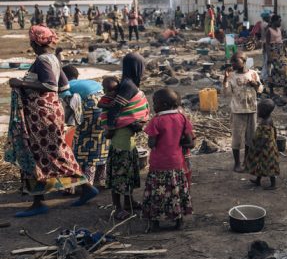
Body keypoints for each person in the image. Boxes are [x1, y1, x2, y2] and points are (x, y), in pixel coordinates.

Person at [6, 25, 98, 217]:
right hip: (50, 111)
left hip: (40, 114)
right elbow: (64, 86)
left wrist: (20, 83)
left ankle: (38, 202)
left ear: (34, 42)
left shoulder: (42, 60)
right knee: (55, 150)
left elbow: (50, 85)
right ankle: (86, 187)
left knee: (37, 153)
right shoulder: (53, 59)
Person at [100, 53, 150, 220]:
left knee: (127, 172)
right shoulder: (128, 85)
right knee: (120, 173)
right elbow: (115, 109)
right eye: (142, 67)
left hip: (127, 137)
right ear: (136, 68)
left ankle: (128, 202)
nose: (143, 71)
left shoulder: (128, 83)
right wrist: (112, 127)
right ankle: (118, 207)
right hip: (121, 138)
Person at [142, 88, 194, 231]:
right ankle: (178, 221)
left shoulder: (156, 120)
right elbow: (190, 142)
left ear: (163, 105)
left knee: (157, 193)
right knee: (176, 191)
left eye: (155, 103)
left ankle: (155, 223)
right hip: (176, 163)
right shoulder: (182, 118)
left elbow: (151, 143)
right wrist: (176, 142)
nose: (153, 105)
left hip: (159, 163)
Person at [63, 65, 109, 188]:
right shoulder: (91, 82)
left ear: (63, 77)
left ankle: (84, 183)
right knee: (100, 142)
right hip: (105, 108)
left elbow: (68, 104)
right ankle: (102, 179)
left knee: (82, 144)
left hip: (90, 107)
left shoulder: (67, 85)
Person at [223, 52, 263, 173]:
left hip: (251, 109)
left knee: (250, 137)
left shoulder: (253, 73)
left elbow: (260, 89)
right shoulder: (231, 76)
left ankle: (247, 161)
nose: (233, 64)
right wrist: (225, 78)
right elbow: (226, 93)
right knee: (237, 138)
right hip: (237, 110)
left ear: (244, 61)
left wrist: (255, 84)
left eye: (235, 61)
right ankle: (237, 164)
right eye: (232, 61)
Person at [247, 99, 280, 190]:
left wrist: (258, 148)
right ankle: (258, 181)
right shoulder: (268, 120)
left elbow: (265, 137)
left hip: (266, 150)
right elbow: (275, 131)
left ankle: (273, 184)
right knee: (260, 164)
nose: (257, 112)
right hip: (268, 147)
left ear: (264, 112)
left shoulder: (266, 122)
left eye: (259, 110)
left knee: (269, 166)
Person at [265, 14, 286, 96]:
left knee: (284, 70)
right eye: (279, 20)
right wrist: (269, 56)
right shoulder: (269, 31)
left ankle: (284, 89)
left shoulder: (279, 29)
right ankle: (271, 91)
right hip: (273, 52)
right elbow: (267, 44)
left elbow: (281, 41)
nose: (280, 22)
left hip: (280, 52)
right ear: (274, 21)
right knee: (272, 72)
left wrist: (284, 50)